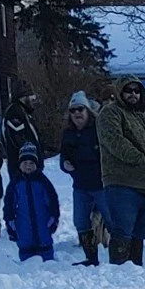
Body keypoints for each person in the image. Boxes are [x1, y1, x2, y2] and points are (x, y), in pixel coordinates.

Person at [97, 75, 145, 266]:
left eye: (136, 90)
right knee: (122, 231)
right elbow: (115, 142)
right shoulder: (110, 113)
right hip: (122, 183)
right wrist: (142, 159)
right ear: (120, 92)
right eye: (128, 90)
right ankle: (119, 272)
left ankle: (135, 272)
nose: (133, 94)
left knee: (141, 233)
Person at [59, 91, 107, 265]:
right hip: (80, 186)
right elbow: (64, 157)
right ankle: (91, 257)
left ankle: (120, 258)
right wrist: (65, 164)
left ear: (87, 110)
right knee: (80, 221)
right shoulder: (68, 134)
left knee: (111, 220)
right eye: (73, 110)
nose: (77, 113)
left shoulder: (99, 130)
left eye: (80, 109)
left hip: (101, 185)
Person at [3, 143, 59, 261]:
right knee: (25, 239)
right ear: (20, 165)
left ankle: (48, 260)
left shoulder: (43, 182)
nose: (28, 166)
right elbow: (9, 203)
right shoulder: (16, 183)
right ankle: (26, 262)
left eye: (31, 163)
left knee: (44, 238)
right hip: (23, 221)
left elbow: (52, 199)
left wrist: (54, 216)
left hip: (42, 219)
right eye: (25, 163)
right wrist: (9, 220)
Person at [2, 90, 41, 180]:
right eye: (32, 98)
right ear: (24, 97)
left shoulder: (23, 112)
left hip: (28, 164)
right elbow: (18, 139)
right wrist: (29, 158)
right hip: (22, 166)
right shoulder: (14, 112)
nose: (33, 101)